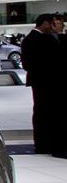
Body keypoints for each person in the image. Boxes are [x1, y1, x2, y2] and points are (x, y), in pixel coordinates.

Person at [21, 14, 62, 157]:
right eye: (52, 24)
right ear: (45, 23)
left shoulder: (29, 38)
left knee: (41, 111)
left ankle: (42, 143)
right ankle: (45, 143)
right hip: (46, 81)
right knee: (45, 111)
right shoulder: (42, 39)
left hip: (39, 80)